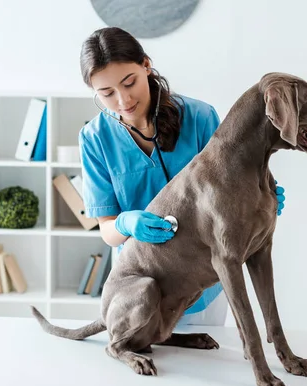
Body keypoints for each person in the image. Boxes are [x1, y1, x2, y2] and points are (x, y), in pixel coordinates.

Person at [77, 27, 286, 326]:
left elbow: (238, 183)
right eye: (107, 93)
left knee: (201, 369)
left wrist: (261, 194)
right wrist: (126, 223)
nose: (123, 100)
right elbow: (108, 231)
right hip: (142, 287)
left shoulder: (201, 118)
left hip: (203, 285)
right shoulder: (94, 139)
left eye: (129, 82)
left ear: (146, 66)